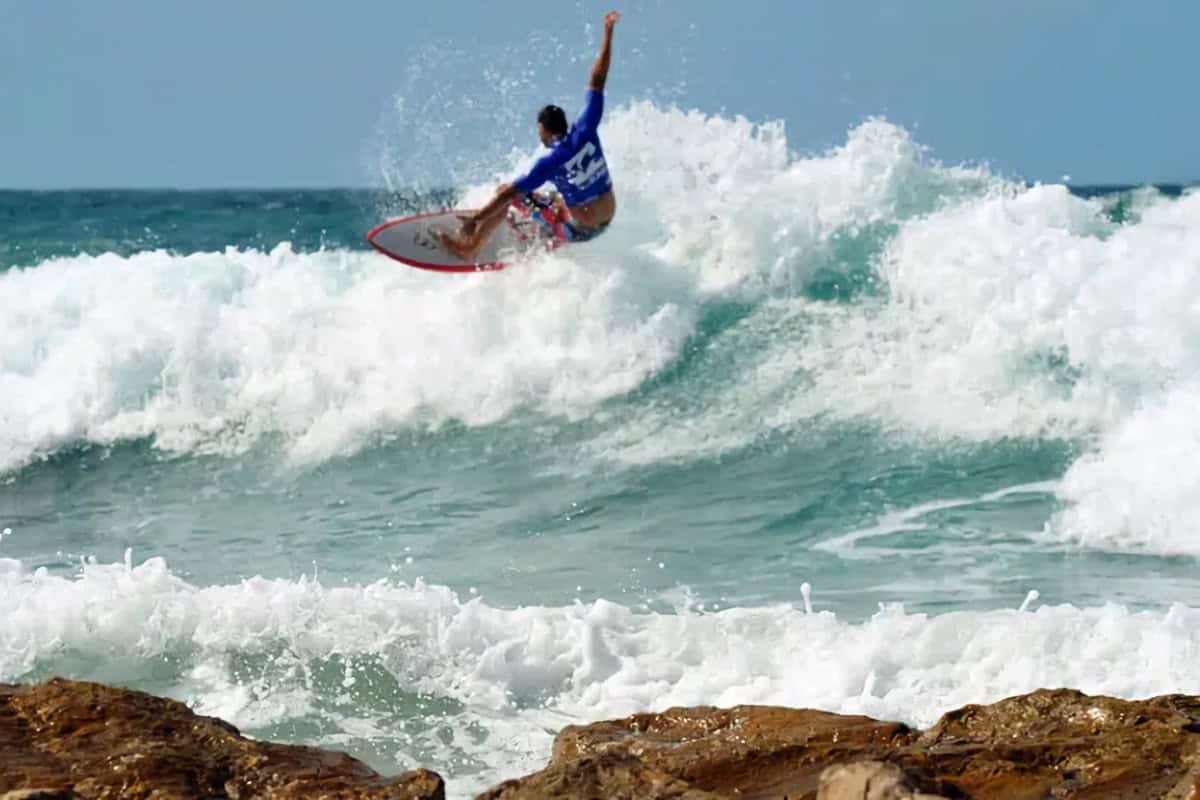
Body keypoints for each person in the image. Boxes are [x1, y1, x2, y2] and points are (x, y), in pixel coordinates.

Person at [437, 11, 621, 262]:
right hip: (607, 220)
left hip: (580, 231)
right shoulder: (586, 128)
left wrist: (477, 217)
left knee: (506, 193)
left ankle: (471, 248)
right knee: (557, 196)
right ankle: (541, 229)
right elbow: (598, 79)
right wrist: (608, 33)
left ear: (544, 129)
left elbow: (507, 194)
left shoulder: (551, 162)